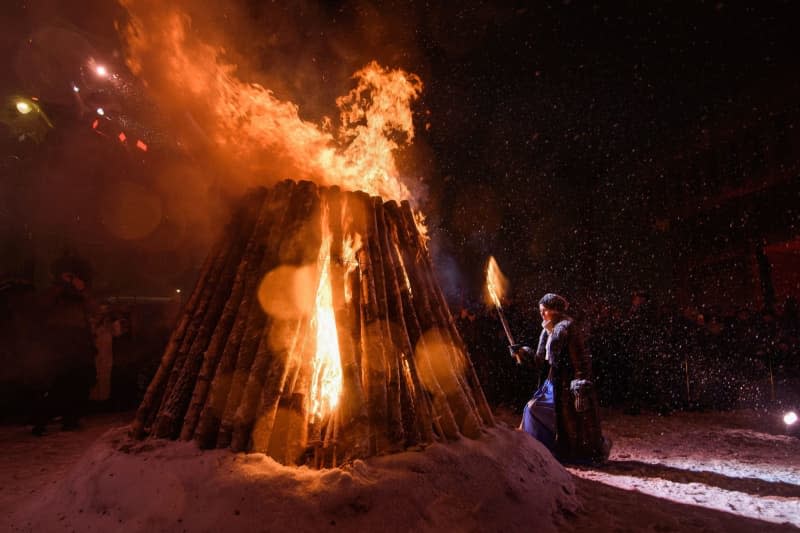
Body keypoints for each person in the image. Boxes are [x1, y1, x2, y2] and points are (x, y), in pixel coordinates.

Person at [511, 293, 610, 464]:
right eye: (541, 311)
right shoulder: (546, 331)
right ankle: (544, 448)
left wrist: (580, 387)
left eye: (545, 311)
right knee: (532, 409)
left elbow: (581, 360)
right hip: (552, 381)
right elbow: (539, 361)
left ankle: (573, 452)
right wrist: (522, 352)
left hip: (567, 382)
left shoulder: (568, 328)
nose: (542, 314)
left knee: (571, 421)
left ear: (555, 311)